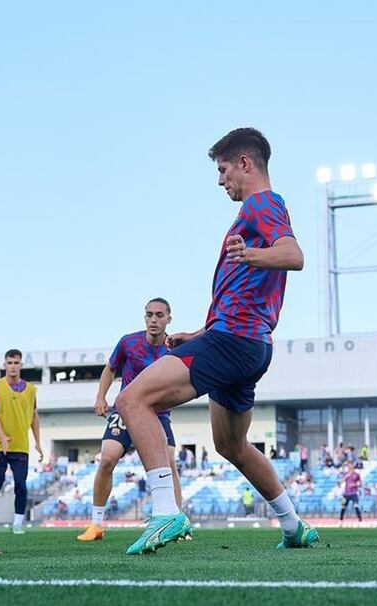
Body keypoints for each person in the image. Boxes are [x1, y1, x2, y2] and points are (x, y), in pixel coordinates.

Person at [115, 128, 316, 554]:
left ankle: (166, 511)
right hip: (248, 343)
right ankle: (293, 524)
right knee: (230, 445)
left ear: (245, 163)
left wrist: (250, 255)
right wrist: (198, 334)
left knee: (132, 399)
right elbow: (246, 295)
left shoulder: (262, 203)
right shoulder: (259, 210)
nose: (221, 180)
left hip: (234, 341)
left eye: (223, 170)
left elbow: (294, 255)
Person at [77, 299, 182, 543]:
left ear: (169, 319)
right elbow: (109, 369)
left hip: (158, 413)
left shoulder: (175, 349)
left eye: (159, 315)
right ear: (144, 317)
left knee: (169, 461)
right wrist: (100, 397)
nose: (153, 319)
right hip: (126, 410)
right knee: (107, 458)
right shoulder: (128, 342)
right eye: (149, 314)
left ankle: (176, 521)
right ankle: (96, 524)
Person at [0, 349, 43, 535]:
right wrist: (2, 437)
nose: (13, 366)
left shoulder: (31, 390)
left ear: (21, 365)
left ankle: (17, 523)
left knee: (20, 484)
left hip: (20, 445)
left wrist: (38, 442)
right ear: (5, 365)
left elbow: (34, 416)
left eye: (16, 363)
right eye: (10, 363)